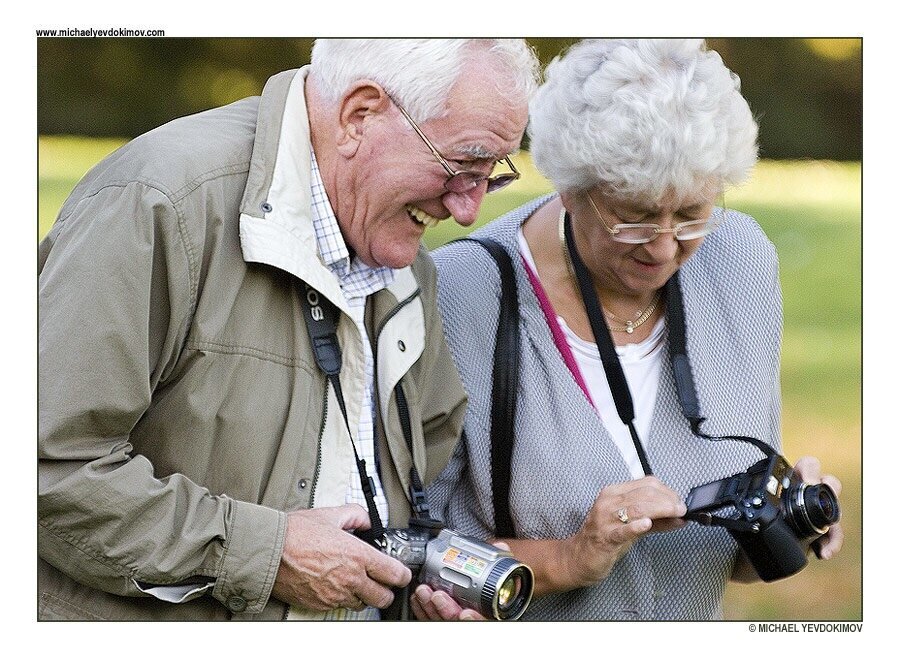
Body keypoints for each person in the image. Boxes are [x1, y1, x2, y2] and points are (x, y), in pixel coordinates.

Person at [38, 38, 539, 621]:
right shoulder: (164, 201)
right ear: (360, 114)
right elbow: (48, 465)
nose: (469, 211)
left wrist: (412, 595)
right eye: (462, 166)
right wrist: (266, 556)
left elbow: (402, 478)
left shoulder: (399, 253)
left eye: (492, 177)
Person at [415, 39, 844, 621]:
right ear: (571, 188)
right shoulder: (463, 292)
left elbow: (724, 556)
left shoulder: (740, 259)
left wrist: (789, 516)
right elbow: (412, 552)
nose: (667, 248)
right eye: (636, 218)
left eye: (692, 213)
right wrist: (569, 558)